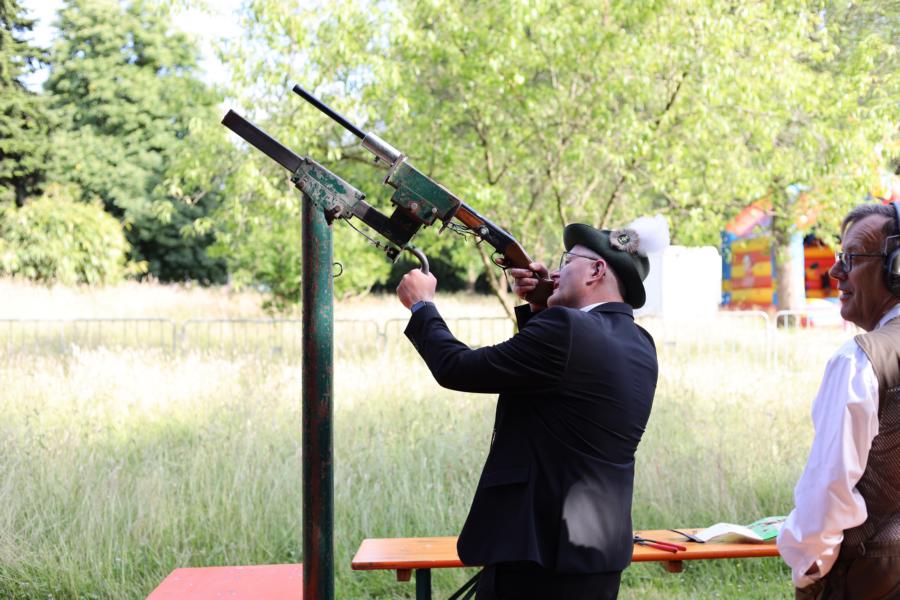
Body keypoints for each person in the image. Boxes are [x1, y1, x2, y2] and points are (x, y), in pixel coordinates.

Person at [396, 216, 669, 599]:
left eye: (566, 262)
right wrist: (542, 305)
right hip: (596, 554)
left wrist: (422, 306)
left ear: (596, 271)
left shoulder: (566, 330)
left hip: (537, 553)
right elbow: (552, 380)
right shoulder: (641, 343)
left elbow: (457, 368)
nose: (555, 273)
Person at [777, 201, 900, 599]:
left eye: (851, 258)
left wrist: (809, 571)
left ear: (896, 268)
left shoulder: (859, 360)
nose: (835, 271)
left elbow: (826, 495)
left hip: (867, 579)